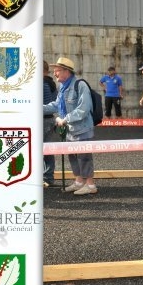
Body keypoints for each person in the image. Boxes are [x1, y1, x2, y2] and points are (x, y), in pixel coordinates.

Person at [43, 57, 98, 195]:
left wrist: (65, 119)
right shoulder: (63, 87)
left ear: (66, 71)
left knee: (84, 156)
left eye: (57, 71)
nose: (54, 74)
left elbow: (83, 109)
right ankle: (79, 182)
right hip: (70, 129)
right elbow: (56, 105)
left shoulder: (80, 85)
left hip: (82, 128)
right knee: (73, 156)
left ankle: (90, 185)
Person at [42, 60, 58, 188]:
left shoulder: (41, 84)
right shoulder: (52, 83)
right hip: (50, 119)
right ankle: (48, 177)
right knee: (47, 150)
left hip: (41, 119)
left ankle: (42, 177)